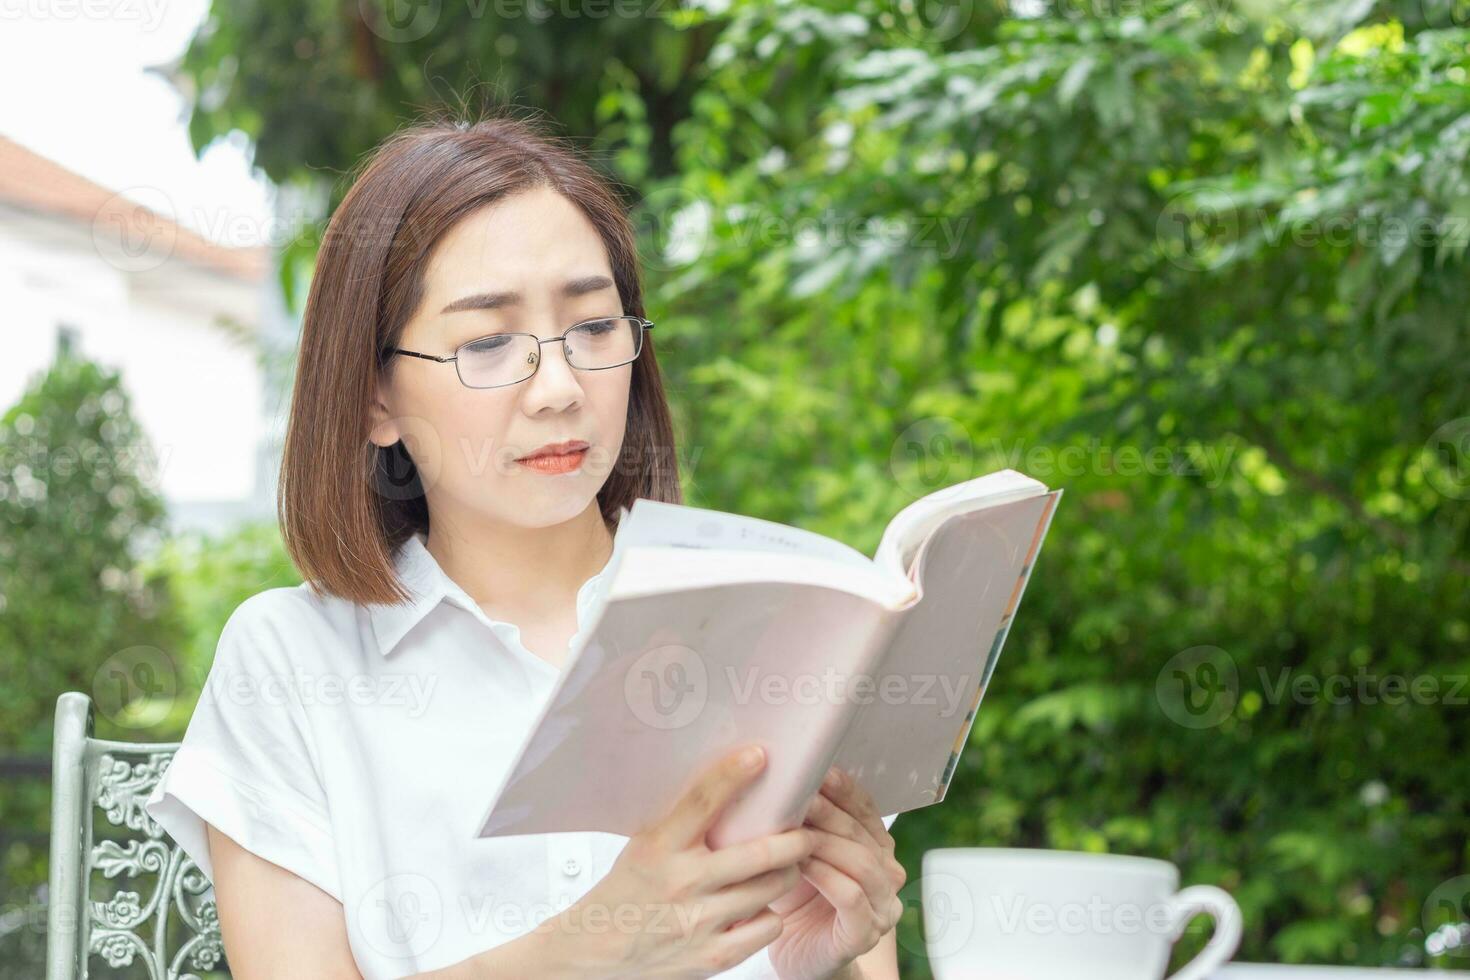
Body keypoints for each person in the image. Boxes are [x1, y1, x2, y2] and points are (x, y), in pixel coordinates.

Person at [144, 112, 904, 979]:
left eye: (593, 327)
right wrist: (584, 954)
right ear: (374, 398)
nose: (558, 387)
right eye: (488, 342)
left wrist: (835, 957)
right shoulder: (290, 661)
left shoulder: (782, 623)